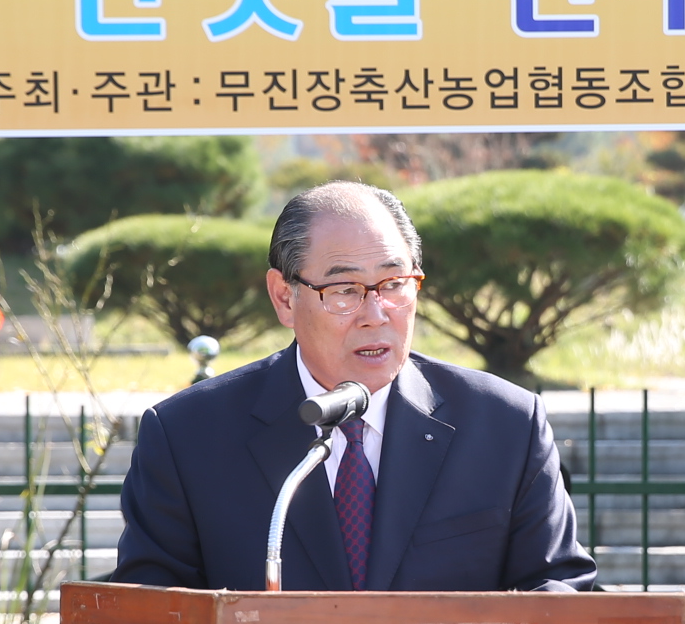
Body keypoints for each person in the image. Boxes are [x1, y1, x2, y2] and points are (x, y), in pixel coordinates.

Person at [112, 181, 597, 593]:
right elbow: (152, 615)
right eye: (344, 291)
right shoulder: (188, 436)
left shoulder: (505, 425)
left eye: (394, 284)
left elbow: (559, 591)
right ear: (284, 298)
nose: (375, 314)